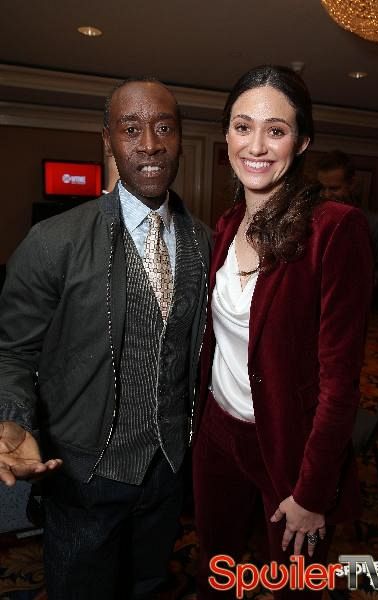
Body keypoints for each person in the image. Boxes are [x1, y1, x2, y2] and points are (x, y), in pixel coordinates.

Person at [0, 78, 211, 600]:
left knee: (148, 585)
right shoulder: (53, 242)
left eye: (164, 128)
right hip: (85, 476)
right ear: (108, 140)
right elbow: (12, 351)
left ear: (180, 139)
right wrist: (13, 418)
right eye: (131, 129)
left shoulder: (206, 242)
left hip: (168, 473)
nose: (150, 144)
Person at [192, 65, 373, 599]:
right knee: (216, 572)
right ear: (226, 134)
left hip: (290, 446)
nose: (256, 146)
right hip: (218, 433)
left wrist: (312, 492)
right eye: (242, 127)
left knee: (296, 585)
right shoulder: (227, 223)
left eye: (276, 130)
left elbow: (340, 382)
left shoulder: (334, 229)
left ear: (302, 141)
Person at [317, 150, 378, 302]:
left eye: (334, 188)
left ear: (351, 184)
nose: (326, 194)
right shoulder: (313, 219)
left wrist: (363, 282)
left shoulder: (374, 223)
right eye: (322, 187)